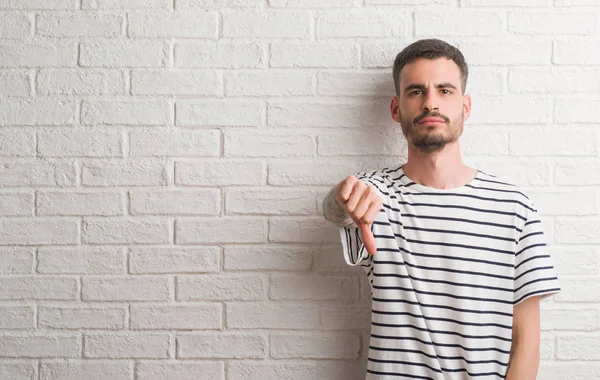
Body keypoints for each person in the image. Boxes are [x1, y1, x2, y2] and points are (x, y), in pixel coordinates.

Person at [322, 38, 561, 380]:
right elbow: (335, 208)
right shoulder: (373, 194)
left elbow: (528, 342)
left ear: (465, 107)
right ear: (395, 108)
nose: (430, 103)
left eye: (445, 90)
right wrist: (342, 199)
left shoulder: (514, 207)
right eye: (416, 91)